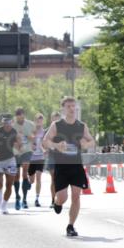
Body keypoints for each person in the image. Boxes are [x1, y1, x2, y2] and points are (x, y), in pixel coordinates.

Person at [42, 96, 95, 236]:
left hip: (76, 166)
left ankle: (71, 226)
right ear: (63, 109)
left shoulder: (81, 126)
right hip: (62, 166)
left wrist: (86, 144)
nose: (72, 109)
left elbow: (92, 141)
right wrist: (56, 145)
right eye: (69, 106)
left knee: (76, 196)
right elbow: (45, 142)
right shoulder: (56, 125)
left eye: (73, 106)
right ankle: (57, 202)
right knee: (62, 197)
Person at [0, 113, 22, 215]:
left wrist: (19, 145)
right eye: (5, 123)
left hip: (10, 159)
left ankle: (4, 206)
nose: (7, 125)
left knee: (9, 184)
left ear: (12, 123)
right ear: (2, 123)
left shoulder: (15, 132)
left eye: (9, 122)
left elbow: (19, 145)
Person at [12, 107, 36, 210]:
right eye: (18, 118)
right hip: (16, 152)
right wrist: (16, 144)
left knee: (25, 171)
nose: (20, 120)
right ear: (16, 117)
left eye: (22, 118)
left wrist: (30, 137)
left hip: (27, 151)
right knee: (16, 175)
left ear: (24, 116)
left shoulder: (30, 124)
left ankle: (24, 200)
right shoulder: (12, 125)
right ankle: (17, 197)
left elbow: (34, 136)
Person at [27, 112, 48, 207]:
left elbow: (45, 144)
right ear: (35, 121)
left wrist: (45, 150)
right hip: (31, 157)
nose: (39, 122)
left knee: (39, 177)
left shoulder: (44, 132)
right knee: (32, 180)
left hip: (40, 157)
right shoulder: (31, 131)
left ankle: (37, 198)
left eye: (41, 121)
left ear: (42, 122)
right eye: (37, 121)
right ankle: (28, 183)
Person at [45, 111, 61, 206]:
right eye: (54, 120)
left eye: (57, 120)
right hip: (52, 157)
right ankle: (53, 200)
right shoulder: (47, 131)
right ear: (51, 120)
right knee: (54, 179)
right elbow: (43, 143)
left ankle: (60, 198)